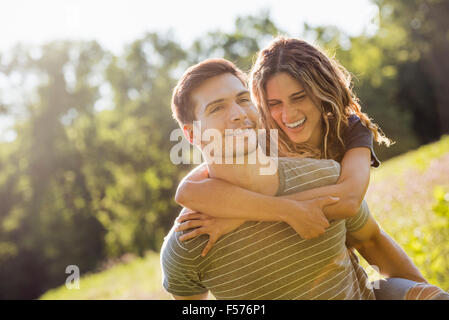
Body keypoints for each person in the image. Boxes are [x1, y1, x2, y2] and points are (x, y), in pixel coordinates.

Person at [172, 38, 449, 300]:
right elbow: (190, 190)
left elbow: (350, 200)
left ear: (321, 92)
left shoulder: (349, 129)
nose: (288, 115)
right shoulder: (261, 134)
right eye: (274, 104)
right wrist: (281, 211)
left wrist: (242, 216)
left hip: (345, 244)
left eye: (299, 97)